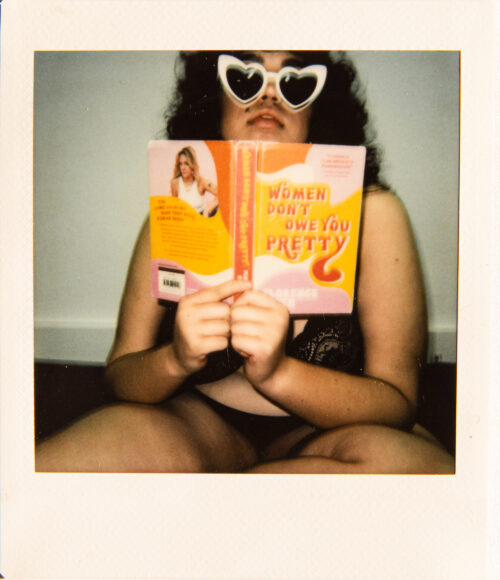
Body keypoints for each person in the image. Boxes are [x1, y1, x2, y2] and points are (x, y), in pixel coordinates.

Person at [36, 50, 454, 473]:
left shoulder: (374, 213)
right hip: (193, 424)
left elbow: (399, 401)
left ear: (319, 109)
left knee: (417, 470)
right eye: (245, 78)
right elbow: (119, 376)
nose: (269, 95)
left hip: (327, 432)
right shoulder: (176, 211)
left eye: (295, 83)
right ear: (214, 98)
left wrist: (279, 373)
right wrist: (175, 359)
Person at [170, 146, 218, 217]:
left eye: (186, 163)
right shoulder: (175, 183)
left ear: (193, 164)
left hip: (201, 219)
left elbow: (221, 193)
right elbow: (174, 208)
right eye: (181, 164)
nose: (183, 168)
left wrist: (207, 210)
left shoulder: (201, 182)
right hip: (185, 220)